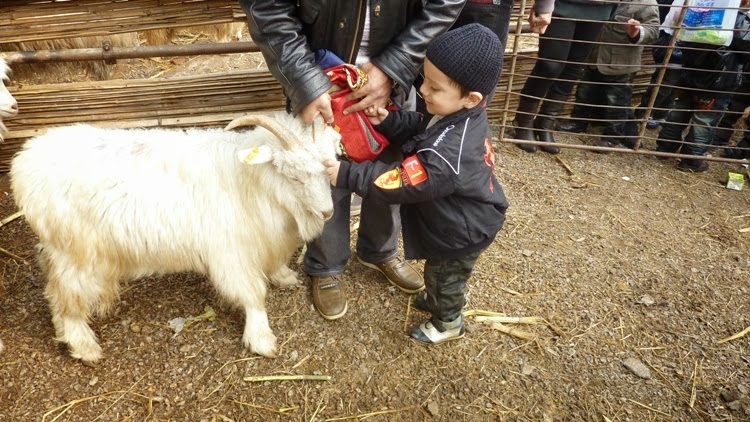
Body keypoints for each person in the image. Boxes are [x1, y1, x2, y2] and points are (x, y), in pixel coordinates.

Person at [240, 0, 466, 320]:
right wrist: (306, 81)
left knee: (392, 166)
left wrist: (396, 64)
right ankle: (325, 264)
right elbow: (266, 7)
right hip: (319, 75)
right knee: (322, 174)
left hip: (397, 74)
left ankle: (380, 250)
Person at [323, 24, 509, 344]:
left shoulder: (448, 154)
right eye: (425, 81)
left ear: (471, 97)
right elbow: (421, 126)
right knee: (441, 276)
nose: (423, 92)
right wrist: (389, 120)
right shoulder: (459, 116)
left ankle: (447, 321)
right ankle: (440, 298)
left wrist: (347, 175)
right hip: (460, 220)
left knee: (444, 278)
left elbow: (402, 181)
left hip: (460, 233)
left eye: (435, 89)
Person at [512, 0, 618, 154]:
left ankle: (545, 122)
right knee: (549, 65)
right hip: (561, 6)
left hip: (601, 7)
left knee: (574, 67)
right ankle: (523, 120)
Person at [655, 1, 750, 172]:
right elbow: (746, 46)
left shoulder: (700, 9)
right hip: (718, 81)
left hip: (690, 72)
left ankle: (664, 148)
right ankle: (690, 161)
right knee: (703, 122)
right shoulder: (737, 18)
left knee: (678, 112)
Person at [557, 0, 660, 150]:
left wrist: (637, 32)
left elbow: (653, 29)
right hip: (594, 57)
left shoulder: (646, 2)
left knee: (617, 103)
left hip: (622, 63)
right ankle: (578, 123)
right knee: (584, 93)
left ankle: (612, 136)